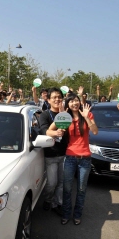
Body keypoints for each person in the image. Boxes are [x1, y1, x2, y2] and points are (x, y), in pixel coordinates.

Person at [48, 94, 98, 225]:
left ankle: (77, 215)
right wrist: (57, 130)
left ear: (79, 102)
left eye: (76, 100)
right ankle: (66, 214)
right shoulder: (65, 116)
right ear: (68, 104)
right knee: (67, 188)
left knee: (81, 189)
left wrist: (87, 117)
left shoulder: (88, 115)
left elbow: (95, 131)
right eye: (71, 101)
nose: (74, 103)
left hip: (85, 158)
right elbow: (48, 131)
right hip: (70, 157)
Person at [40, 87, 68, 216]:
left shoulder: (67, 113)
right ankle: (48, 199)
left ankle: (57, 204)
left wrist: (63, 114)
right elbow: (45, 131)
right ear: (49, 100)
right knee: (51, 183)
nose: (57, 99)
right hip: (51, 154)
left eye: (59, 97)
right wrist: (55, 132)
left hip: (65, 154)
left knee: (61, 183)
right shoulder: (45, 114)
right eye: (54, 97)